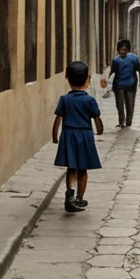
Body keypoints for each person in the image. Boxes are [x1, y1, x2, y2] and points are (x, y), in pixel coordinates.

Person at [52, 60, 104, 213]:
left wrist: (55, 136)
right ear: (88, 80)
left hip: (68, 134)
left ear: (67, 79)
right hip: (85, 135)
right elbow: (96, 118)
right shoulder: (89, 100)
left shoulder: (64, 99)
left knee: (71, 167)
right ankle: (80, 198)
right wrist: (100, 130)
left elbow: (58, 118)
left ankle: (70, 194)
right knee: (83, 169)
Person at [109, 38, 140, 128]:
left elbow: (139, 70)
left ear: (128, 50)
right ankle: (121, 121)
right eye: (121, 50)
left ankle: (128, 121)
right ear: (118, 50)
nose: (123, 52)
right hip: (118, 85)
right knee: (119, 104)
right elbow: (112, 72)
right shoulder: (116, 60)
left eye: (125, 50)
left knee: (130, 104)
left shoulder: (134, 59)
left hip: (131, 84)